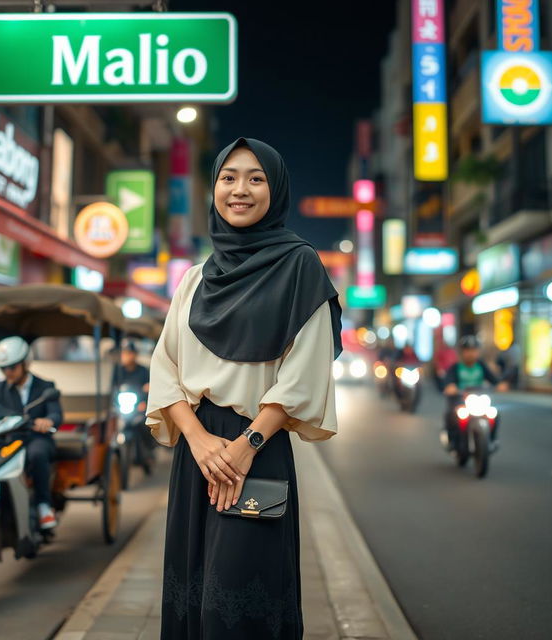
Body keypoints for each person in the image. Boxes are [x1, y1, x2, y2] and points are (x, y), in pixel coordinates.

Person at [146, 138, 341, 640]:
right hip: (199, 451)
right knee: (192, 590)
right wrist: (197, 439)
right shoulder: (193, 279)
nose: (240, 190)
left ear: (275, 191)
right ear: (214, 188)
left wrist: (245, 446)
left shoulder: (301, 268)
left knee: (233, 602)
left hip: (256, 448)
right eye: (228, 177)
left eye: (256, 178)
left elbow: (305, 372)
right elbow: (165, 365)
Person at [0, 336, 63, 530]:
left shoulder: (45, 386)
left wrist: (48, 421)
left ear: (25, 364)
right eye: (3, 369)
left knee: (37, 454)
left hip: (37, 439)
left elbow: (56, 412)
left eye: (12, 367)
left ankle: (44, 506)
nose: (8, 373)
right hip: (10, 441)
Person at [442, 335, 507, 450]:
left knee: (494, 413)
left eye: (474, 350)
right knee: (451, 415)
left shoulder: (481, 366)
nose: (471, 353)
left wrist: (500, 384)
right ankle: (452, 440)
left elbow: (494, 379)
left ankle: (492, 440)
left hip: (480, 399)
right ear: (462, 352)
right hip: (460, 400)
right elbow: (448, 382)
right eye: (467, 350)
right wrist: (450, 387)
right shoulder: (456, 367)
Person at [113, 337, 155, 470]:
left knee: (144, 424)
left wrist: (144, 401)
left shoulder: (143, 371)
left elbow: (150, 388)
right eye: (125, 353)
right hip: (124, 407)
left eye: (130, 353)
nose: (127, 356)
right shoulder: (118, 371)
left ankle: (149, 449)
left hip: (139, 407)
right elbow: (113, 390)